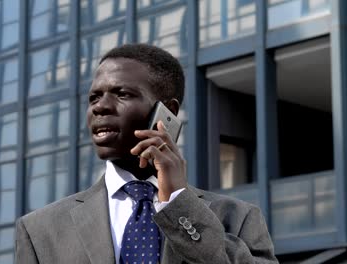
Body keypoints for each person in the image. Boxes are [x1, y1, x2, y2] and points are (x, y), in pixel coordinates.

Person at [15, 44, 278, 263]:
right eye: (94, 97)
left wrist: (177, 203)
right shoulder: (40, 230)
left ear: (168, 111)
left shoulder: (239, 218)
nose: (100, 107)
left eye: (122, 94)